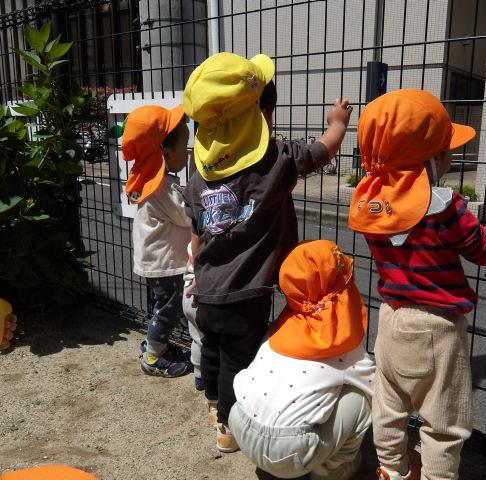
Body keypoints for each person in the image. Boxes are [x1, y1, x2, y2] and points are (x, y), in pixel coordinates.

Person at [348, 89, 486, 480]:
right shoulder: (446, 204)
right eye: (446, 150)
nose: (452, 156)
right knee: (443, 421)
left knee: (389, 407)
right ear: (431, 160)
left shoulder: (370, 205)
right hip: (439, 329)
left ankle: (392, 471)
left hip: (393, 319)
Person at [183, 52, 352, 452]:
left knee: (213, 347)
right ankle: (227, 425)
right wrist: (339, 123)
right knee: (238, 361)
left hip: (207, 288)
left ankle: (212, 401)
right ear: (261, 116)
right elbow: (322, 151)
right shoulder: (275, 159)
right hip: (247, 293)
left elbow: (196, 233)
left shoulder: (199, 175)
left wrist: (196, 268)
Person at [229, 240, 375, 480]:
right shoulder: (339, 339)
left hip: (240, 422)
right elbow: (373, 385)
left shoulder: (282, 324)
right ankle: (333, 472)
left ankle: (273, 463)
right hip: (288, 452)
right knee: (361, 400)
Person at [122, 105, 191, 378]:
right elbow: (186, 217)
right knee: (168, 310)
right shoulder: (162, 187)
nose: (188, 152)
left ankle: (155, 343)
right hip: (165, 263)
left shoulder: (153, 180)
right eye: (185, 146)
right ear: (166, 154)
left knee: (163, 307)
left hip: (156, 260)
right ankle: (152, 355)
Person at [182, 242, 204, 391]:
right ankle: (211, 379)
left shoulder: (194, 243)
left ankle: (199, 376)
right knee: (211, 343)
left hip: (187, 293)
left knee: (197, 339)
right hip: (202, 295)